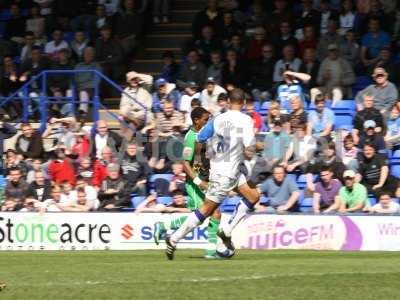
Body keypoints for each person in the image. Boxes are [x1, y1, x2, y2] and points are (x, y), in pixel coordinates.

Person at [164, 89, 259, 260]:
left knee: (253, 196)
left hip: (231, 170)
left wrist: (200, 158)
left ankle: (227, 229)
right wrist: (261, 147)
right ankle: (173, 238)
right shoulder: (246, 120)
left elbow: (200, 137)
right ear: (244, 103)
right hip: (225, 173)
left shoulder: (217, 119)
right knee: (206, 210)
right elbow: (250, 149)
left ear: (229, 102)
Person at [154, 107, 223, 258]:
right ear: (196, 121)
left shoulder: (205, 135)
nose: (208, 122)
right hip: (195, 182)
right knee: (204, 214)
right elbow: (185, 164)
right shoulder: (191, 137)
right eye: (206, 120)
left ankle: (211, 251)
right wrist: (199, 182)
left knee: (213, 213)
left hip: (207, 180)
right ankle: (210, 251)